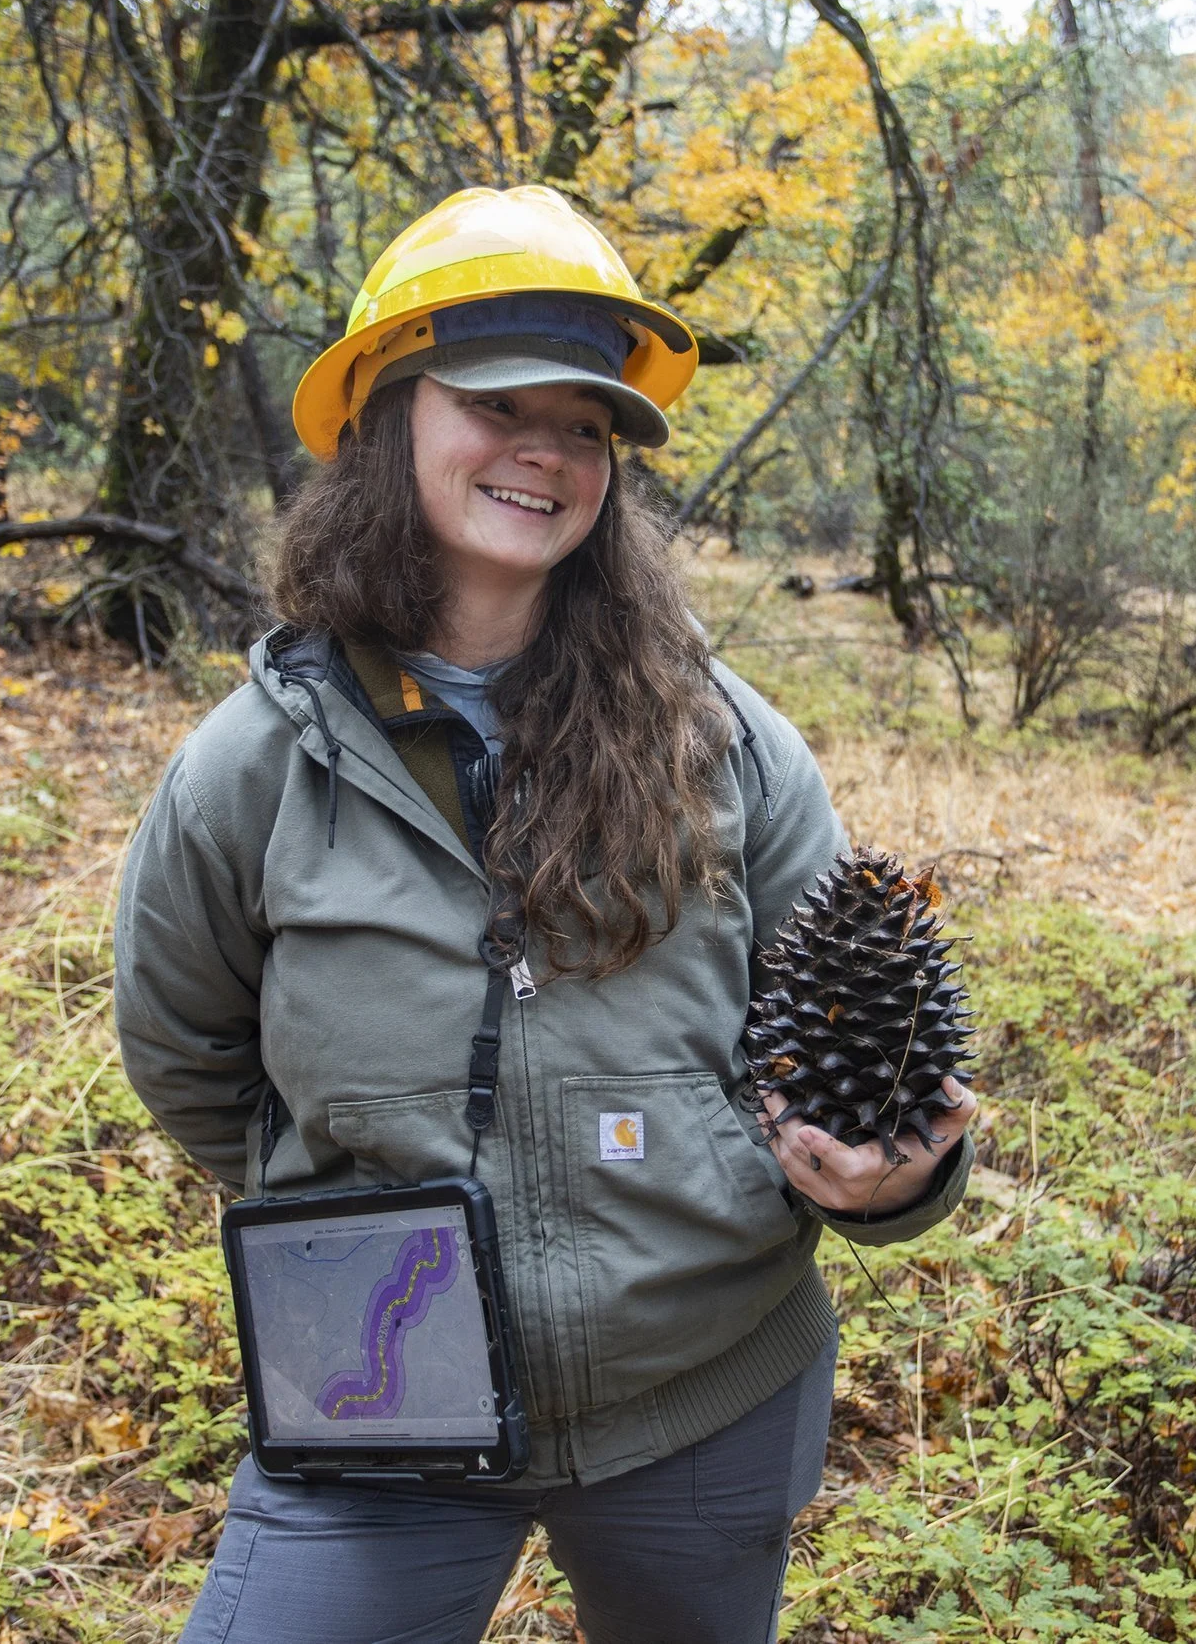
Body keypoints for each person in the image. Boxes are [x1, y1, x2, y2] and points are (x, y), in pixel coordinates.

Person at [113, 185, 978, 1644]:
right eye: (498, 398)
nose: (548, 447)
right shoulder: (249, 769)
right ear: (386, 413)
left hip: (701, 1384)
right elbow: (188, 1054)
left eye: (586, 422)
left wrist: (885, 1180)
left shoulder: (729, 745)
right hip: (381, 1390)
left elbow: (848, 1038)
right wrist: (356, 1191)